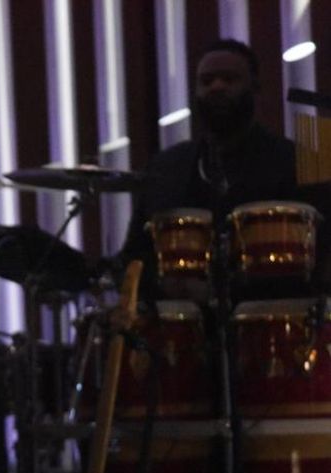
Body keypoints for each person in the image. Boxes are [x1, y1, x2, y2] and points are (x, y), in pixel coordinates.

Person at [119, 39, 298, 300]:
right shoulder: (167, 168)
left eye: (229, 79)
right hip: (180, 325)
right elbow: (136, 256)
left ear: (255, 88)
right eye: (206, 81)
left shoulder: (292, 161)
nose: (216, 87)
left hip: (270, 316)